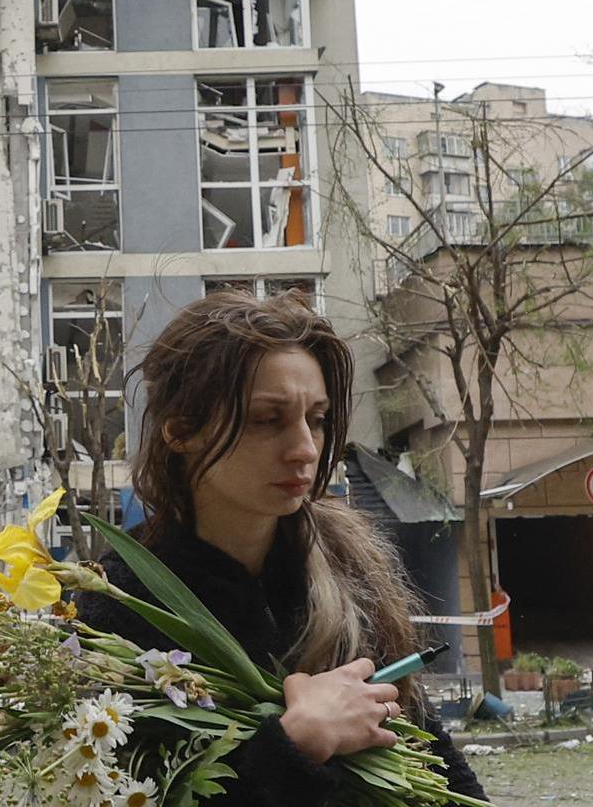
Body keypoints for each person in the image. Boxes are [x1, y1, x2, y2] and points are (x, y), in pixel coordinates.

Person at [73, 291, 485, 805]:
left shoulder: (347, 562)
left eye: (316, 418)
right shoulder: (119, 605)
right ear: (181, 432)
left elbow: (429, 751)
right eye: (267, 420)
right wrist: (296, 745)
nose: (306, 449)